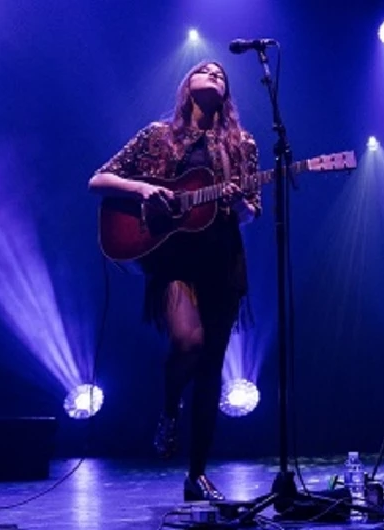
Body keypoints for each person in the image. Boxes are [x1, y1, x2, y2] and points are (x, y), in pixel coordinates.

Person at [88, 60, 261, 501]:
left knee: (211, 370)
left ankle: (197, 475)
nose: (215, 74)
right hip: (172, 259)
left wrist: (240, 204)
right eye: (205, 70)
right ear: (188, 86)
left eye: (222, 73)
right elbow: (99, 179)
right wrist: (144, 190)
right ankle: (169, 410)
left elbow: (250, 213)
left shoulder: (243, 145)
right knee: (189, 342)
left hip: (222, 260)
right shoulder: (157, 136)